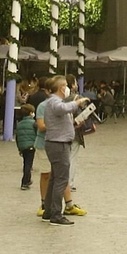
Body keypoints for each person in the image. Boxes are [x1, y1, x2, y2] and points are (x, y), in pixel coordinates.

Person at [39, 76, 91, 225]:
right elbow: (63, 108)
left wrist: (74, 124)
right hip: (58, 144)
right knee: (61, 180)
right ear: (62, 88)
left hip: (58, 141)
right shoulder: (55, 102)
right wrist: (78, 102)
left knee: (55, 178)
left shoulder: (55, 102)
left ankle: (48, 211)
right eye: (66, 86)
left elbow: (60, 119)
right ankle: (56, 214)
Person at [14, 105, 38, 190]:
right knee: (28, 164)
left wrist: (19, 148)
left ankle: (28, 179)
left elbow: (17, 137)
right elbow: (37, 134)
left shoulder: (19, 124)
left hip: (23, 146)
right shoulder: (34, 123)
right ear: (31, 113)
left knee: (26, 163)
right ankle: (25, 182)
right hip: (31, 146)